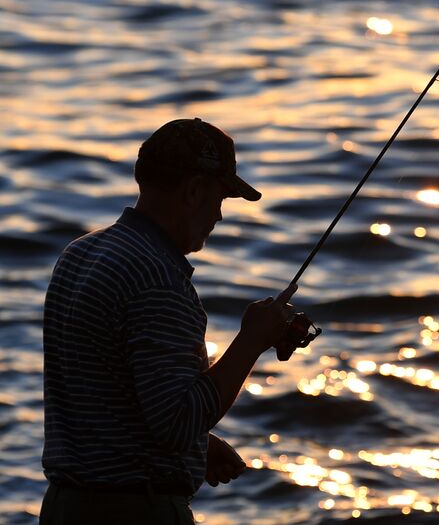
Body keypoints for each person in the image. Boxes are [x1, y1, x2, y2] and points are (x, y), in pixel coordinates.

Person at [41, 118, 297, 525]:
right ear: (194, 191)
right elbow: (176, 424)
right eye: (221, 198)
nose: (219, 215)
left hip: (64, 508)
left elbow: (104, 392)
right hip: (134, 513)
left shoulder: (80, 254)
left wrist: (201, 446)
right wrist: (252, 340)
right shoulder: (158, 278)